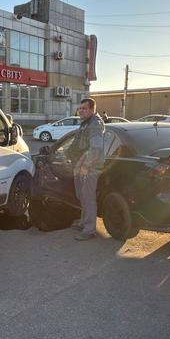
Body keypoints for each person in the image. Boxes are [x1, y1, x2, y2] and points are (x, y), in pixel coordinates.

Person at [68, 98, 105, 241]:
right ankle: (83, 222)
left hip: (90, 167)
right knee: (81, 195)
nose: (81, 111)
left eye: (84, 108)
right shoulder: (85, 123)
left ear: (92, 109)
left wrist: (85, 167)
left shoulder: (95, 124)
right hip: (80, 165)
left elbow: (95, 149)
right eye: (80, 108)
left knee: (88, 198)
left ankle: (89, 230)